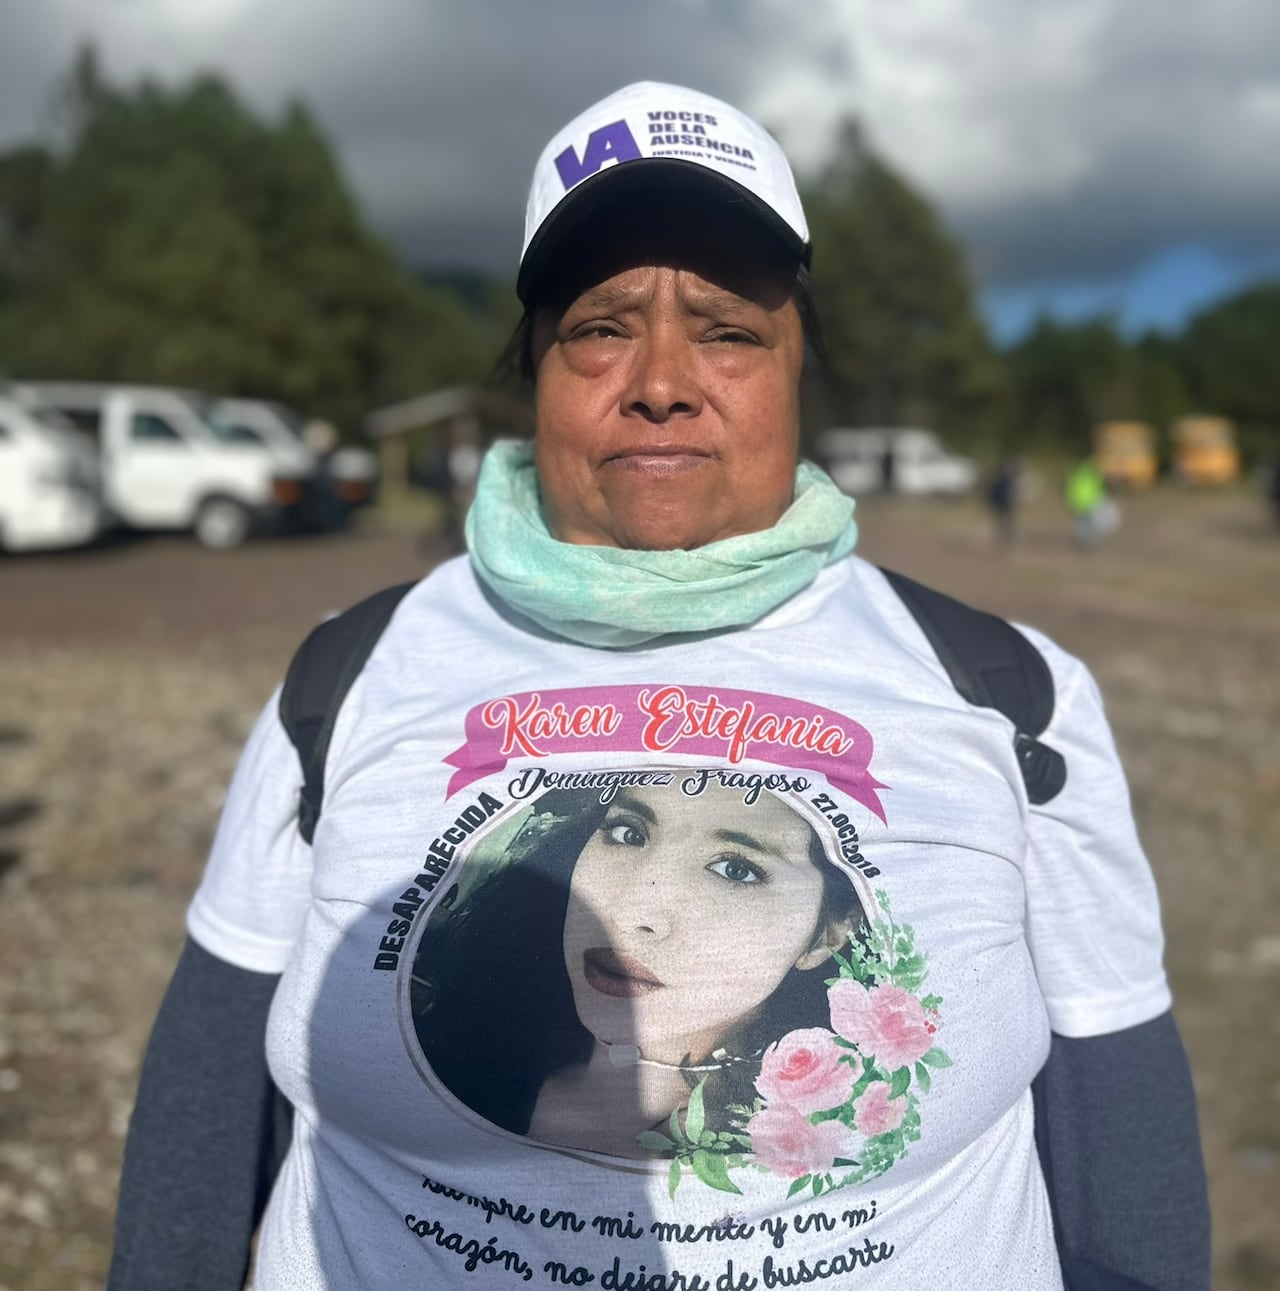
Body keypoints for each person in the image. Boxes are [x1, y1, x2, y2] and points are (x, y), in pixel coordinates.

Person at [109, 82, 1208, 1290]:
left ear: (797, 373)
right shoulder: (352, 669)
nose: (662, 380)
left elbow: (1124, 1161)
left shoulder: (1010, 694)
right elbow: (202, 1126)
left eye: (727, 329)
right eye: (601, 324)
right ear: (534, 364)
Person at [412, 781, 867, 1163]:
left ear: (827, 935)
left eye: (735, 869)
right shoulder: (453, 1051)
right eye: (628, 833)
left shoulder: (831, 1145)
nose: (629, 911)